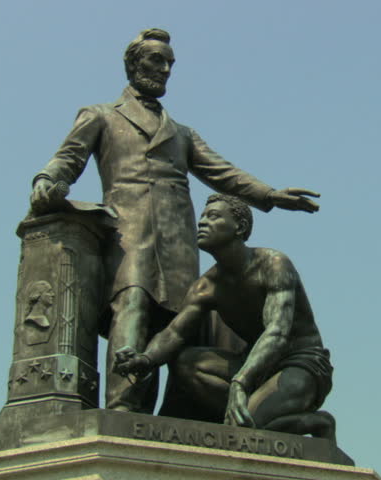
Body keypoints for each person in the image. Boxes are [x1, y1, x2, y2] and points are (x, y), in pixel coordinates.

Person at [29, 28, 321, 414]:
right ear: (133, 64)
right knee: (132, 305)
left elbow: (222, 172)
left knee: (174, 324)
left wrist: (269, 195)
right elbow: (69, 156)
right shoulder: (100, 116)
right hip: (128, 233)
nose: (165, 69)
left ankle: (175, 415)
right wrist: (47, 180)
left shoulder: (182, 134)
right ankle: (122, 408)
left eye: (170, 63)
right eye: (156, 60)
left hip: (180, 242)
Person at [114, 194, 336, 439]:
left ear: (239, 227)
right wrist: (145, 359)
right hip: (250, 364)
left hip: (299, 364)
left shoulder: (273, 264)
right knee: (185, 362)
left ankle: (317, 423)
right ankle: (246, 411)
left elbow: (277, 332)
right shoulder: (206, 286)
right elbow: (174, 334)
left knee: (250, 427)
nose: (202, 222)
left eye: (213, 216)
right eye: (202, 217)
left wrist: (241, 382)